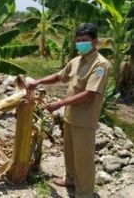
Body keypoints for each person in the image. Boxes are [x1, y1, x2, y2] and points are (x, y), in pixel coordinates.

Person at [24, 23, 111, 198]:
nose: (81, 43)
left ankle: (84, 193)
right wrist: (37, 82)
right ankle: (70, 179)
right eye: (78, 40)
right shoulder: (76, 61)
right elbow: (58, 77)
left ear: (94, 42)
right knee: (70, 153)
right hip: (70, 116)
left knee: (83, 159)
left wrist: (60, 103)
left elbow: (89, 95)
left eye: (85, 40)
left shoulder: (100, 65)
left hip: (85, 120)